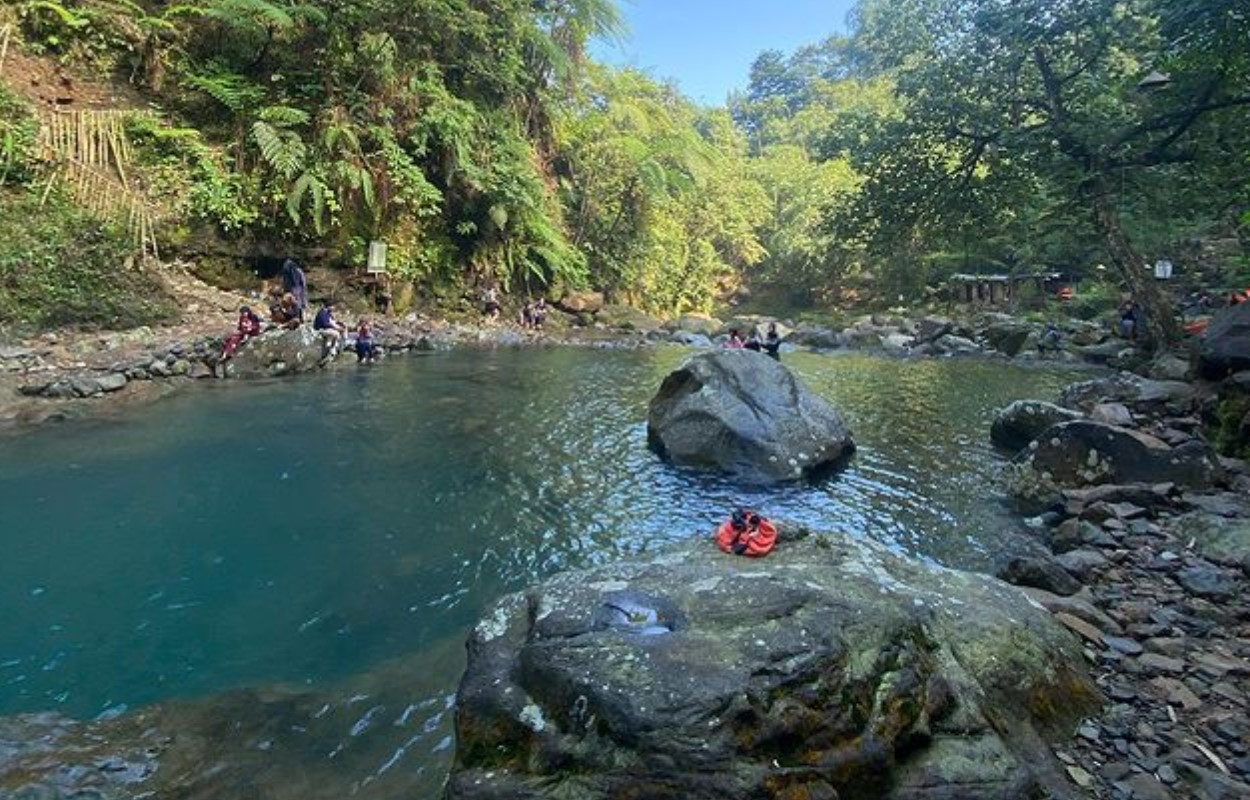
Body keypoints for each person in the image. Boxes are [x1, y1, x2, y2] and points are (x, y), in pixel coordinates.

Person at [218, 306, 263, 373]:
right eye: (243, 313)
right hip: (244, 332)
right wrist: (239, 331)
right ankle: (226, 353)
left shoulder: (253, 317)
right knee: (233, 338)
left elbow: (257, 326)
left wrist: (250, 329)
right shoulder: (242, 318)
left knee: (240, 338)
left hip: (252, 332)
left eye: (245, 312)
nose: (244, 314)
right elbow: (240, 327)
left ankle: (231, 350)